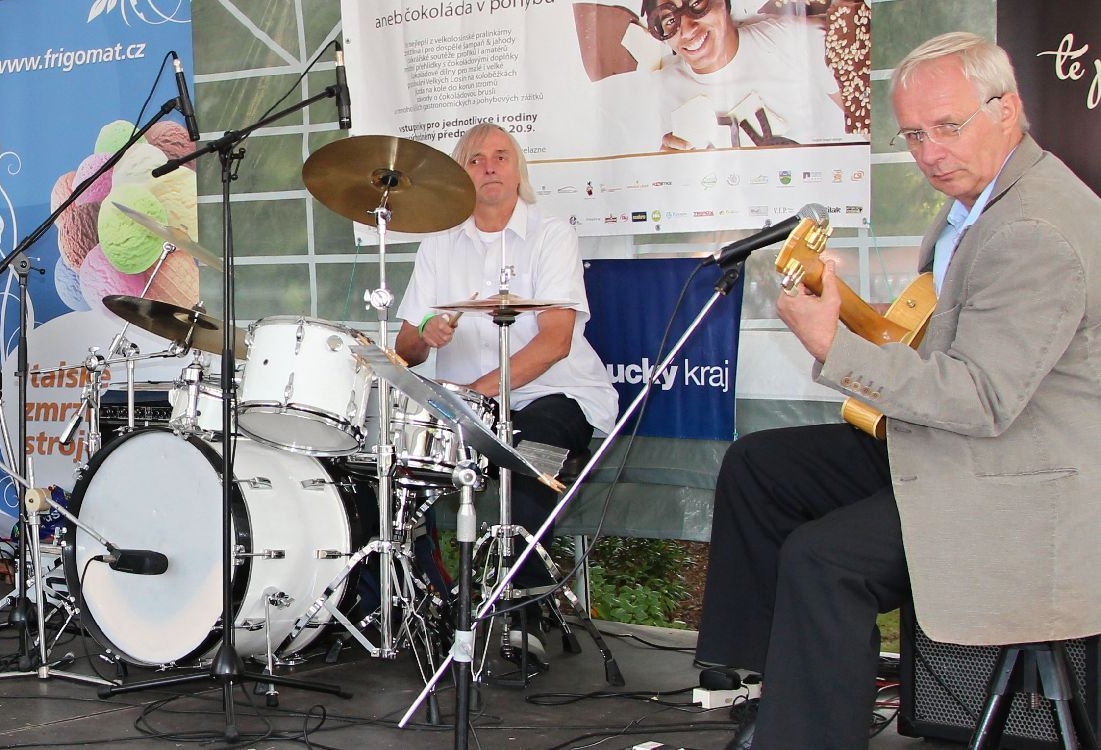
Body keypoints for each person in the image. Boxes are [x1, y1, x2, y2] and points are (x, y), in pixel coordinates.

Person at [695, 32, 1101, 749]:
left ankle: (804, 738)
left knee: (823, 560)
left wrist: (830, 344)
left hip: (1017, 483)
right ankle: (769, 690)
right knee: (761, 468)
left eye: (948, 127)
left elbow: (978, 397)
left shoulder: (1032, 229)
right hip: (958, 448)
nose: (927, 151)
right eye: (912, 134)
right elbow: (938, 352)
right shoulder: (974, 205)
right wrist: (845, 308)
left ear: (1007, 110)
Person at [394, 123, 618, 664]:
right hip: (465, 410)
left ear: (518, 171)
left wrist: (480, 395)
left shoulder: (551, 233)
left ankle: (524, 609)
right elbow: (405, 344)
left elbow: (556, 342)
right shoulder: (438, 243)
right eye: (475, 159)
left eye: (501, 157)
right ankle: (425, 602)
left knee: (530, 449)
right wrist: (427, 333)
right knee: (393, 468)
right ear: (459, 174)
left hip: (553, 396)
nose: (490, 167)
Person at [639, 0, 853, 149]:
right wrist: (668, 167)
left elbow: (870, 123)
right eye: (669, 21)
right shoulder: (660, 94)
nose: (686, 30)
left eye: (697, 4)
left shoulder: (797, 42)